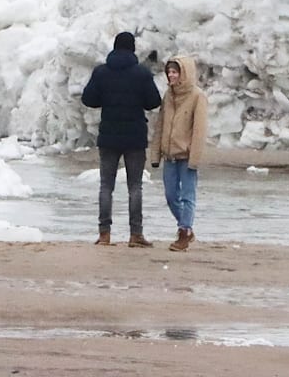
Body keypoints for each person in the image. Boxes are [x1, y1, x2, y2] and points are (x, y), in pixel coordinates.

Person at [81, 31, 162, 248]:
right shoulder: (141, 74)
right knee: (135, 186)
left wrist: (106, 98)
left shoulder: (102, 72)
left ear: (114, 48)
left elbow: (88, 99)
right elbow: (153, 102)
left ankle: (104, 233)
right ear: (133, 49)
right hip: (135, 136)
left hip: (109, 135)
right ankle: (136, 235)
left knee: (106, 185)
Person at [150, 55, 208, 252]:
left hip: (186, 155)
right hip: (170, 155)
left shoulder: (197, 96)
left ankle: (184, 231)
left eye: (175, 72)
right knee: (170, 195)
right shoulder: (169, 95)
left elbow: (199, 130)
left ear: (184, 74)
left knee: (187, 195)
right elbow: (161, 125)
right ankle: (187, 228)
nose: (171, 75)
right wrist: (155, 154)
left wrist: (195, 157)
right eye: (169, 72)